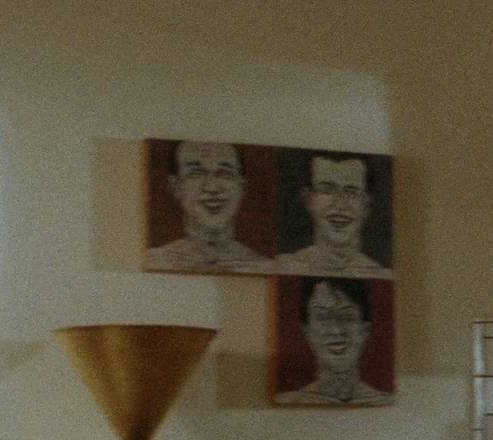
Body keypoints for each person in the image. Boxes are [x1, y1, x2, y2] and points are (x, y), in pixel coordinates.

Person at [146, 140, 267, 272]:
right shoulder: (153, 261)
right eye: (196, 173)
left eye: (225, 173)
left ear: (242, 186)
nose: (212, 187)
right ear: (175, 186)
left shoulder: (263, 267)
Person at [273, 276, 391, 406]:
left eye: (347, 316)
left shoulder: (385, 403)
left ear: (365, 329)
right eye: (322, 317)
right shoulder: (289, 402)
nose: (336, 330)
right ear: (307, 331)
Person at [272, 155, 393, 279]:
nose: (340, 205)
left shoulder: (383, 274)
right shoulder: (283, 267)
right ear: (308, 200)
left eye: (351, 192)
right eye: (327, 190)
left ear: (366, 205)